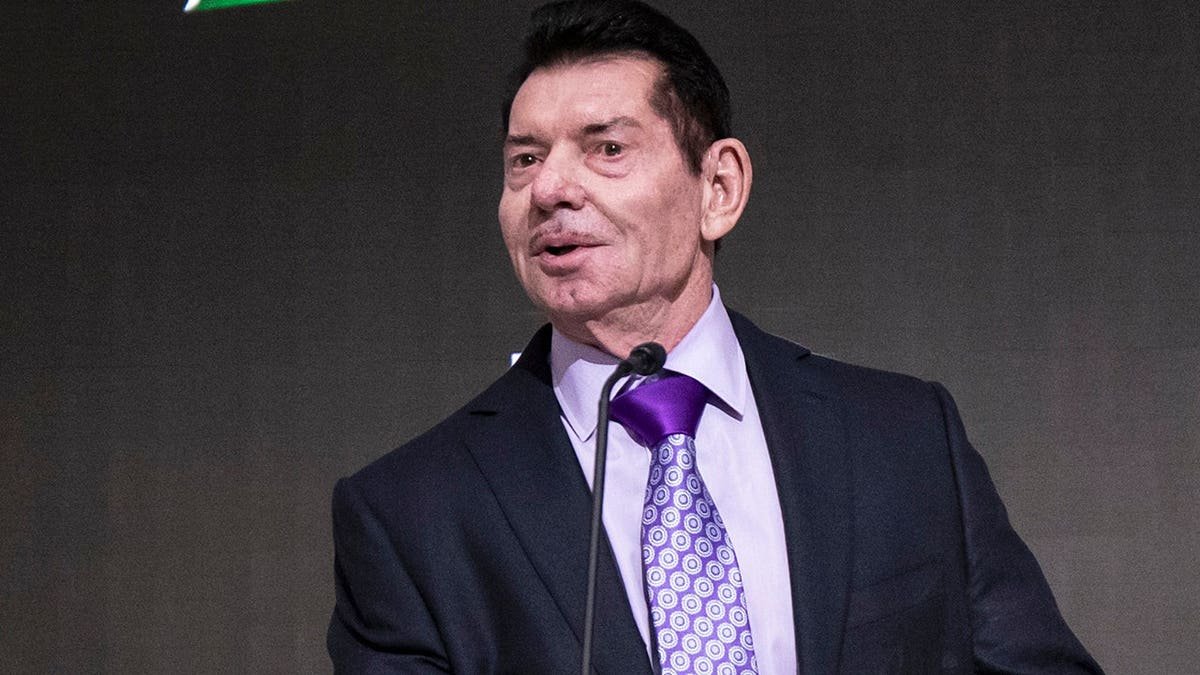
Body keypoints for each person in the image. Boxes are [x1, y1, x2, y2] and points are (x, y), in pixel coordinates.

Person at [327, 1, 1103, 673]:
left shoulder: (902, 440)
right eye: (524, 160)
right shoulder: (411, 512)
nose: (551, 189)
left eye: (607, 148)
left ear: (719, 188)